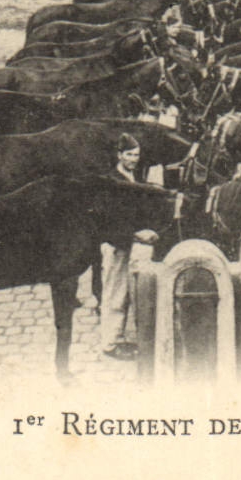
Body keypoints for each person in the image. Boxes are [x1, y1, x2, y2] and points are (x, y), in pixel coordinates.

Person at [103, 133, 148, 361]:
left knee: (126, 292)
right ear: (119, 155)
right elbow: (111, 221)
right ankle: (110, 344)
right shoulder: (113, 181)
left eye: (136, 155)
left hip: (128, 244)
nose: (133, 159)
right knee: (115, 293)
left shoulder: (133, 175)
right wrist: (136, 234)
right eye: (129, 155)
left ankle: (119, 337)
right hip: (116, 245)